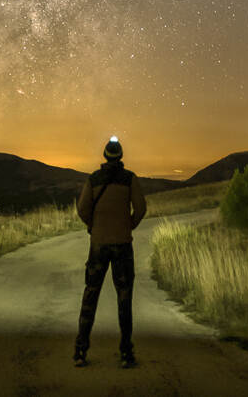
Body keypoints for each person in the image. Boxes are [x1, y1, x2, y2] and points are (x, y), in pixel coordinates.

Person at [73, 136, 147, 368]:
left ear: (105, 156)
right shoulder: (129, 179)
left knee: (90, 295)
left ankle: (80, 351)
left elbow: (83, 208)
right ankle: (126, 353)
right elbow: (141, 207)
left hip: (99, 245)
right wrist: (129, 225)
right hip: (123, 245)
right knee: (124, 298)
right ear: (121, 156)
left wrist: (94, 227)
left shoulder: (93, 179)